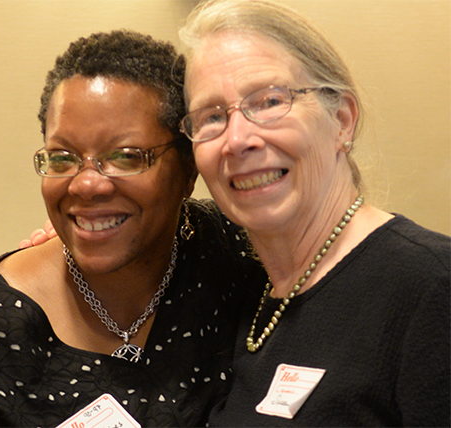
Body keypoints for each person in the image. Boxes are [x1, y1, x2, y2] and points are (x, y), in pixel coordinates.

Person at [0, 29, 266, 427]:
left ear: (187, 171)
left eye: (126, 157)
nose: (87, 184)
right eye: (62, 157)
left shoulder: (238, 253)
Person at [177, 0, 450, 426]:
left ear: (341, 120)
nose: (237, 139)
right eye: (211, 117)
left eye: (269, 100)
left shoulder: (431, 287)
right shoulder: (246, 293)